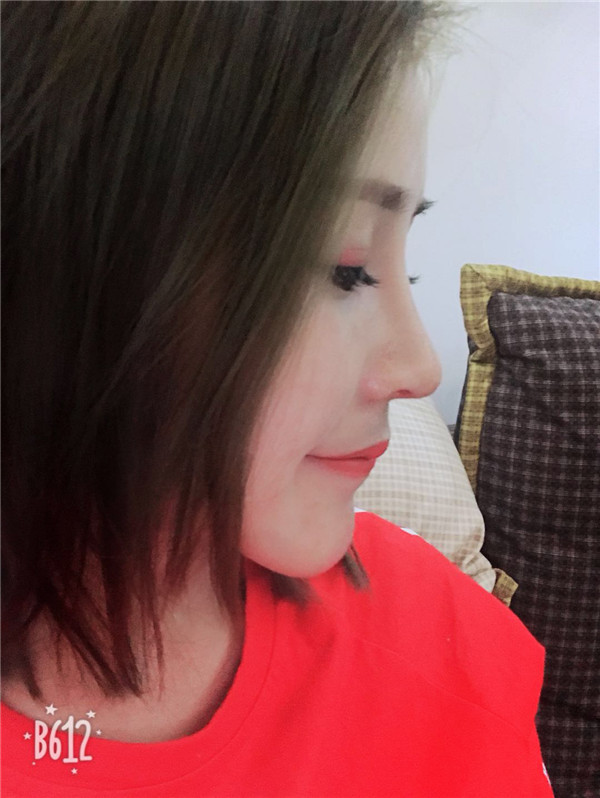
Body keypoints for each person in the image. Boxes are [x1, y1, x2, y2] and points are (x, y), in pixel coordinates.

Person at [1, 2, 553, 796]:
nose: (420, 367)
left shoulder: (448, 650)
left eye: (404, 268)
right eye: (345, 268)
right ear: (69, 266)